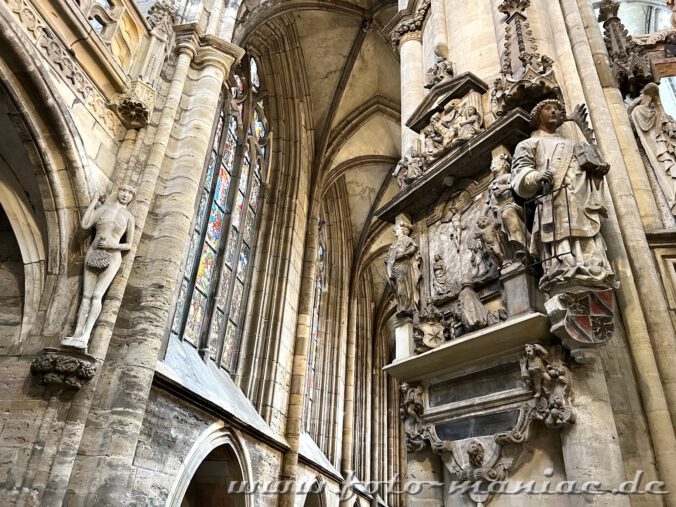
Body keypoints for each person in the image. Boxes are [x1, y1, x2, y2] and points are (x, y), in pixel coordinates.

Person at [510, 99, 614, 291]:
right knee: (560, 236)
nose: (554, 112)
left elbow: (591, 173)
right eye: (548, 109)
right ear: (537, 115)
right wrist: (537, 176)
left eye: (558, 110)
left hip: (580, 200)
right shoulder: (528, 144)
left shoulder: (572, 144)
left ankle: (589, 265)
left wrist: (596, 173)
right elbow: (519, 173)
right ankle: (562, 266)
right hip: (553, 199)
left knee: (587, 242)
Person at [62, 186, 136, 349]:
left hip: (112, 256)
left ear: (132, 198)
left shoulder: (128, 216)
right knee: (86, 296)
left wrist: (112, 244)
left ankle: (86, 335)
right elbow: (85, 224)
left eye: (130, 193)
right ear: (118, 192)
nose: (126, 195)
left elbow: (129, 244)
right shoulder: (103, 209)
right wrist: (95, 200)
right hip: (94, 251)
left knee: (97, 295)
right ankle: (77, 333)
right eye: (123, 191)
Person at [386, 222, 422, 316]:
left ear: (403, 230)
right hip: (394, 267)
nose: (395, 232)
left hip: (403, 265)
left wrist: (404, 253)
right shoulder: (394, 244)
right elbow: (388, 258)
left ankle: (406, 306)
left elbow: (414, 247)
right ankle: (402, 305)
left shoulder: (407, 239)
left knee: (403, 286)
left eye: (397, 229)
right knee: (398, 288)